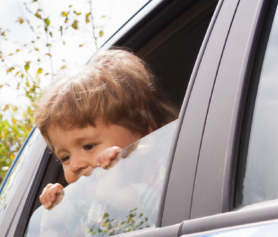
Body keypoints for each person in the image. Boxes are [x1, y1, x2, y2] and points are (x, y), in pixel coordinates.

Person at [35, 49, 179, 211]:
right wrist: (57, 221)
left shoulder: (175, 180)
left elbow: (167, 211)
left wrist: (116, 195)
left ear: (144, 138)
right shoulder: (92, 208)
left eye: (89, 146)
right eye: (66, 157)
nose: (74, 165)